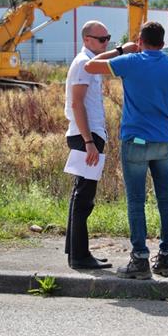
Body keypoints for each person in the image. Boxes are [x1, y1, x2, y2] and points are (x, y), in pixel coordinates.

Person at [85, 21, 168, 279]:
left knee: (136, 202)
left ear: (140, 40)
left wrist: (120, 50)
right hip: (164, 142)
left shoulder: (131, 60)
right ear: (163, 41)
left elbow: (89, 66)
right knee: (166, 199)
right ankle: (167, 258)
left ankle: (140, 260)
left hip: (135, 141)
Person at [64, 20, 113, 270]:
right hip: (87, 135)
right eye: (101, 39)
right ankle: (80, 256)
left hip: (88, 134)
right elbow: (76, 103)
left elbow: (106, 57)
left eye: (108, 38)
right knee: (85, 197)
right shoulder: (84, 63)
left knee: (79, 194)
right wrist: (89, 142)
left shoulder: (88, 61)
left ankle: (75, 250)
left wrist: (122, 51)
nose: (106, 43)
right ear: (87, 40)